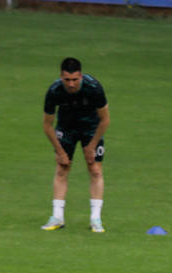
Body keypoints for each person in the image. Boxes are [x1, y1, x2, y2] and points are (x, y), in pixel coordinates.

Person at [40, 57, 110, 232]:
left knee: (95, 169)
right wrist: (59, 150)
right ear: (61, 77)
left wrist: (92, 146)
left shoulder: (94, 88)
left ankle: (96, 219)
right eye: (67, 80)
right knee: (62, 168)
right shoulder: (55, 90)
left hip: (91, 128)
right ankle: (57, 217)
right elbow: (47, 125)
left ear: (81, 76)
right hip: (67, 128)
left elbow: (105, 120)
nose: (71, 84)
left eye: (74, 80)